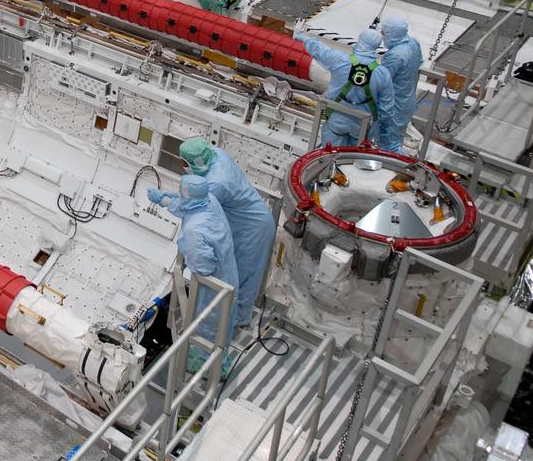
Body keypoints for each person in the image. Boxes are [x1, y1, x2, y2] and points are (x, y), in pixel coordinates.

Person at [177, 138, 274, 329]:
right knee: (241, 270)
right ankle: (232, 316)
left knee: (244, 274)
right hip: (245, 220)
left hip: (253, 228)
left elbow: (197, 211)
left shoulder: (215, 184)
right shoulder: (216, 154)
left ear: (196, 162)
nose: (183, 167)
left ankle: (238, 319)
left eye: (185, 163)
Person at [147, 175, 238, 378]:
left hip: (214, 287)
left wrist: (187, 248)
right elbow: (187, 208)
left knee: (208, 328)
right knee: (222, 323)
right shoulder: (208, 200)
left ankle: (207, 368)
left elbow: (203, 267)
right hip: (228, 270)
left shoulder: (194, 231)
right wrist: (164, 200)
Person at [297, 27, 395, 148]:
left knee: (330, 155)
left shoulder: (340, 60)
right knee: (351, 157)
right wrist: (378, 132)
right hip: (361, 129)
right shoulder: (383, 74)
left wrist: (305, 39)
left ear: (360, 41)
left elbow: (321, 51)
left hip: (336, 122)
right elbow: (386, 110)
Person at [378, 17, 423, 153]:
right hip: (406, 100)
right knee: (396, 138)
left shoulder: (395, 55)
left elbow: (382, 80)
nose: (382, 35)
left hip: (393, 105)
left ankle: (396, 161)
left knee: (388, 145)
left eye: (384, 33)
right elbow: (419, 62)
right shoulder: (413, 43)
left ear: (392, 34)